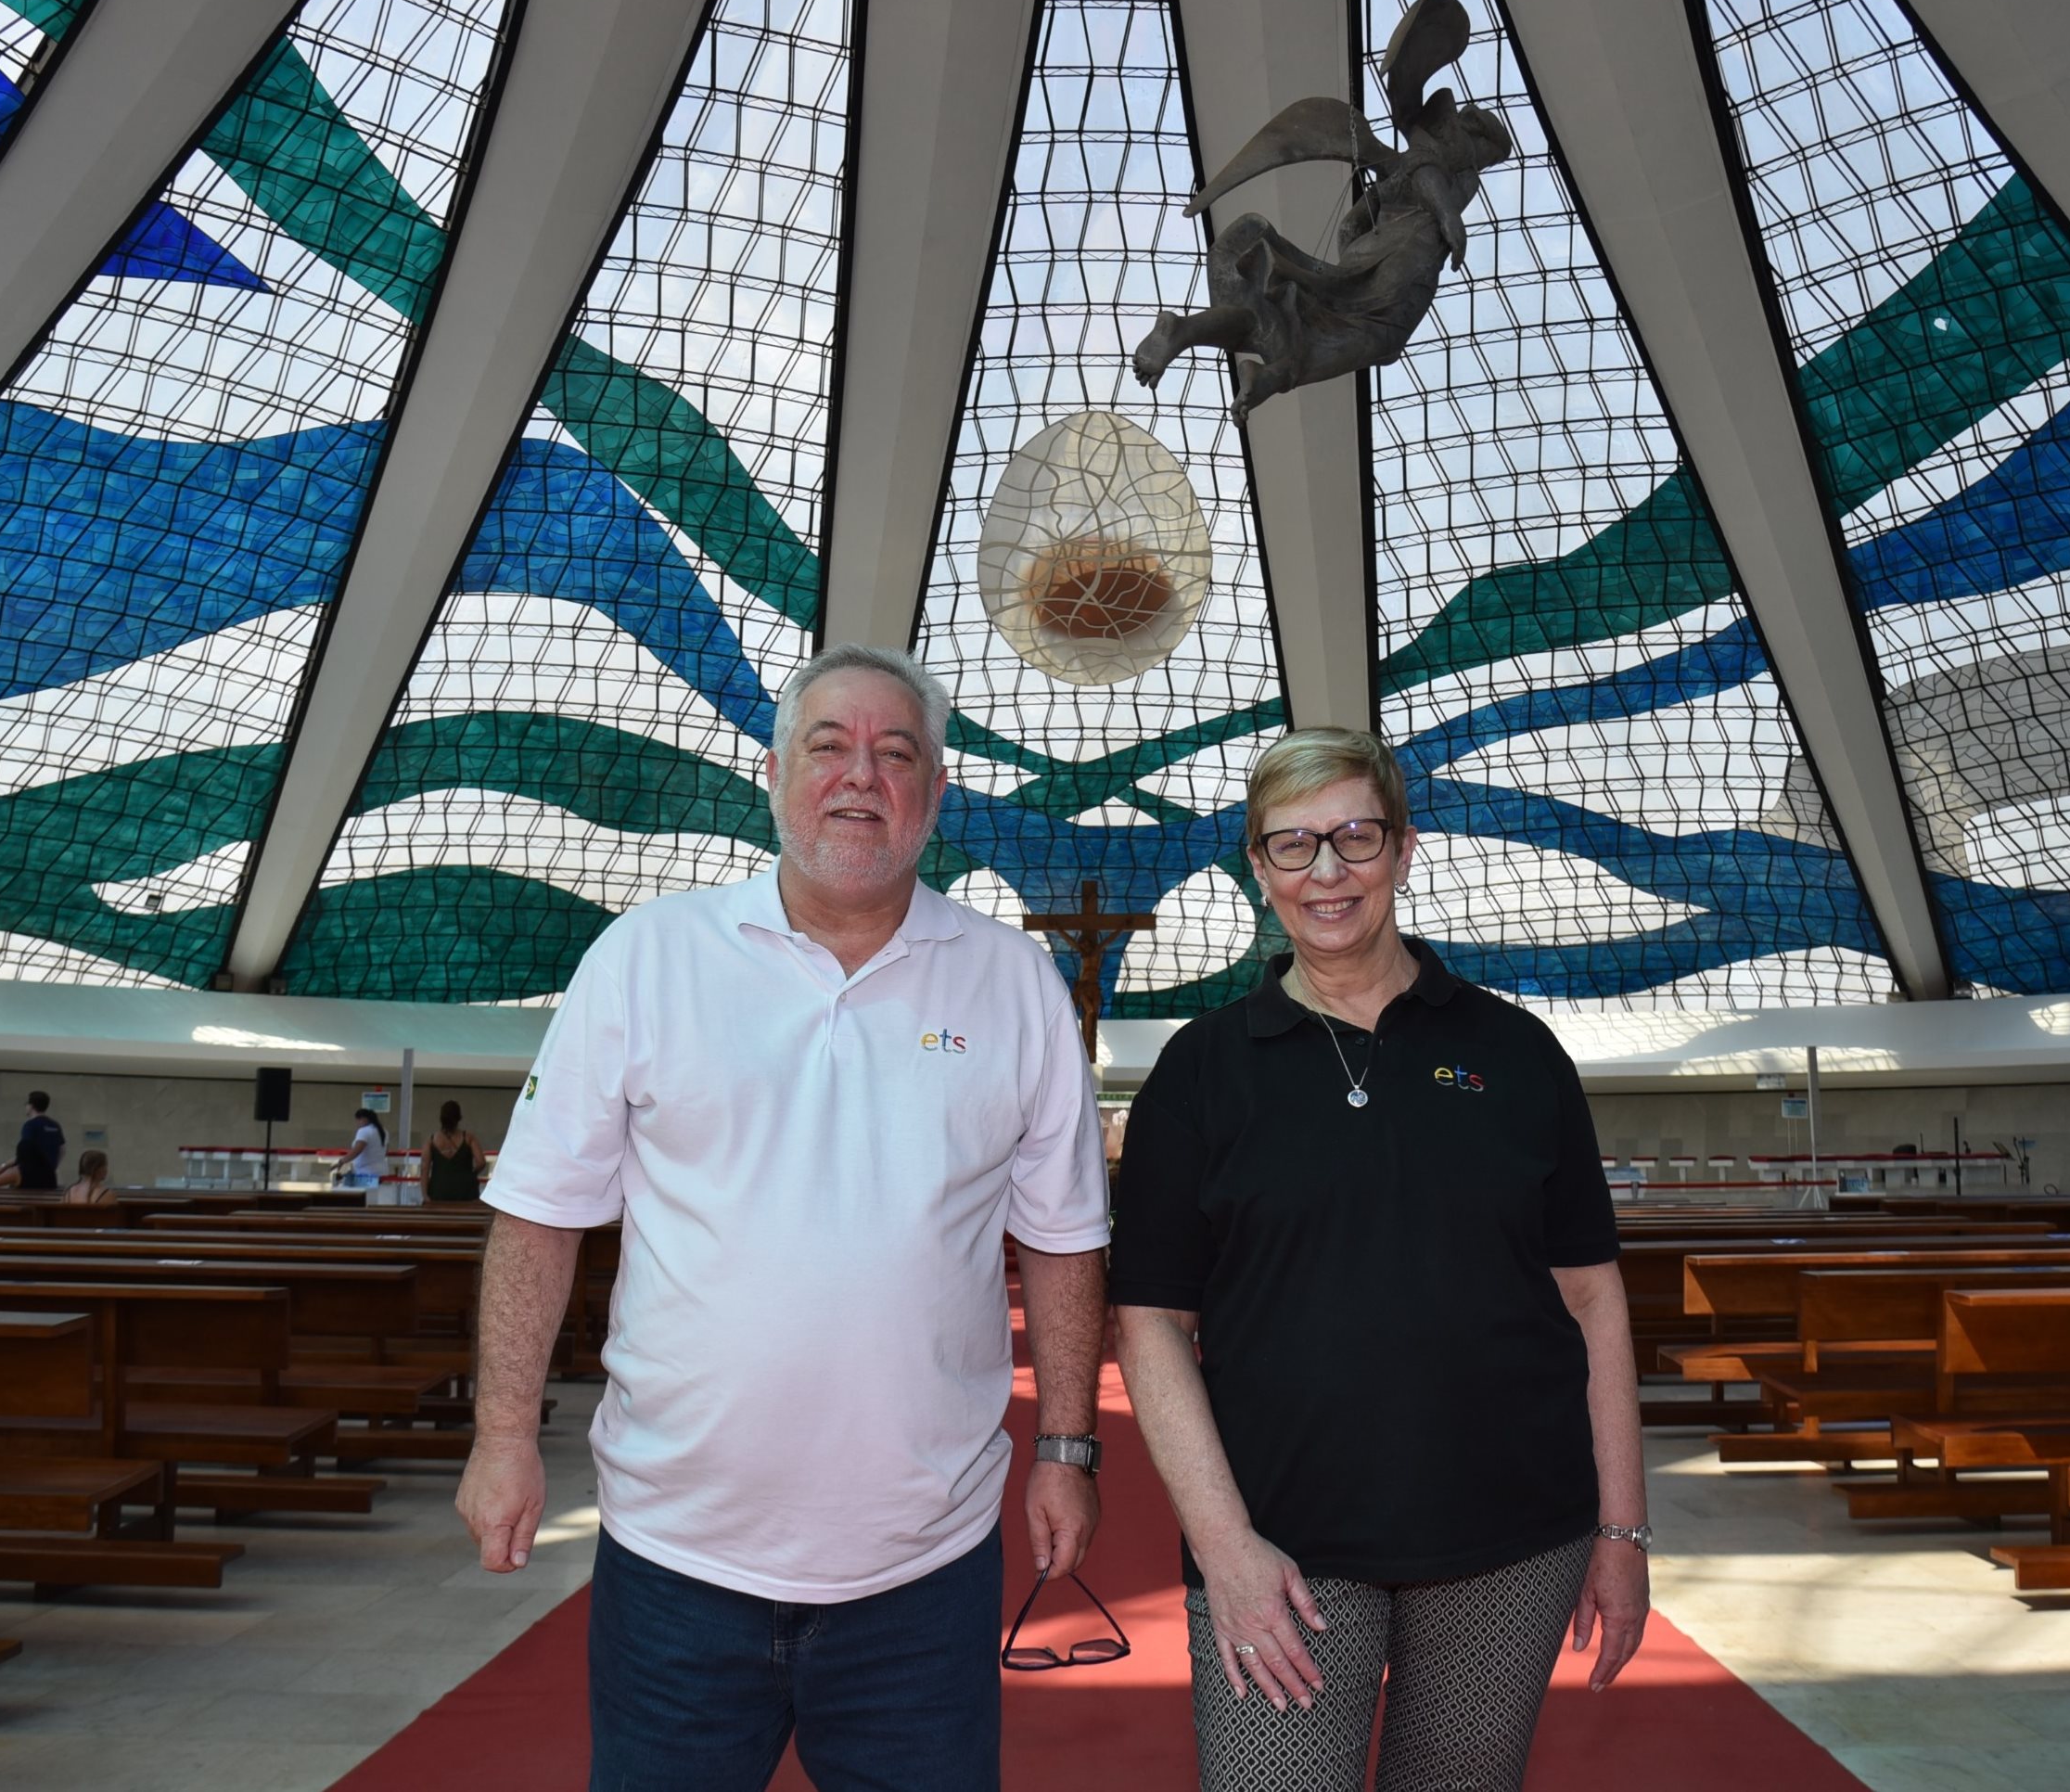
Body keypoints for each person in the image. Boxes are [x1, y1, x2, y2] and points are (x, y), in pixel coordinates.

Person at [455, 645, 1110, 1792]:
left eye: (896, 753)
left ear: (936, 794)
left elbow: (1062, 1239)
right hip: (676, 1562)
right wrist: (504, 1434)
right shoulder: (645, 960)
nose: (862, 776)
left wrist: (1066, 1447)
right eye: (830, 746)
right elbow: (538, 1216)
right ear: (772, 773)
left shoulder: (1014, 984)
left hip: (925, 1568)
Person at [1110, 727, 1649, 1792]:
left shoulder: (1517, 1052)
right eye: (1294, 845)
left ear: (1402, 850)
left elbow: (1593, 1301)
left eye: (1355, 837)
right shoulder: (1202, 1070)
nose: (1328, 872)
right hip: (1282, 1548)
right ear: (1258, 869)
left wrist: (1623, 1528)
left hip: (1510, 1543)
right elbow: (1151, 1323)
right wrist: (1224, 1545)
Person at [0, 1091, 66, 1190]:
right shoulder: (55, 1125)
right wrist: (53, 1166)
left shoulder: (30, 1125)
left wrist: (4, 1166)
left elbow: (25, 1150)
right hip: (50, 1176)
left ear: (31, 1106)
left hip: (29, 1176)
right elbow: (62, 1149)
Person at [418, 1101, 487, 1203]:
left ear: (441, 1119)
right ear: (459, 1118)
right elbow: (481, 1162)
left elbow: (424, 1169)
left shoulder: (431, 1141)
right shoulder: (468, 1138)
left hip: (439, 1191)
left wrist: (425, 1195)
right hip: (466, 1192)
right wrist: (470, 1174)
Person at [335, 1108, 388, 1190]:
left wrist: (342, 1161)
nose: (357, 1124)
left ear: (363, 1119)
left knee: (342, 1188)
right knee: (370, 1198)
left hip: (365, 1174)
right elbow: (385, 1151)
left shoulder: (364, 1131)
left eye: (358, 1121)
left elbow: (357, 1151)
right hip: (380, 1172)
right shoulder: (383, 1131)